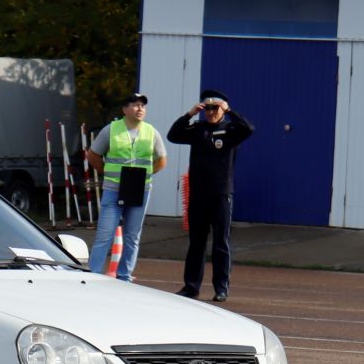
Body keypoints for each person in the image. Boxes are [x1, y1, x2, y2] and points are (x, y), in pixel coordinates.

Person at [166, 88, 253, 301]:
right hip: (199, 194)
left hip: (221, 194)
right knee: (196, 243)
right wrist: (190, 114)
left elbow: (248, 129)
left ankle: (221, 288)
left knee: (220, 243)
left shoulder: (231, 130)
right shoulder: (198, 128)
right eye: (208, 108)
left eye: (216, 108)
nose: (212, 112)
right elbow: (173, 135)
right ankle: (191, 286)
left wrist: (230, 111)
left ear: (223, 108)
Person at [85, 92, 167, 281]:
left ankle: (124, 275)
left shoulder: (151, 132)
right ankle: (94, 274)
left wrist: (144, 176)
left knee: (132, 235)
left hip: (140, 189)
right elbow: (93, 155)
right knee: (105, 233)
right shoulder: (111, 130)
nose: (140, 109)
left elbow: (162, 160)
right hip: (114, 188)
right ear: (124, 109)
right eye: (135, 105)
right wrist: (107, 172)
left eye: (143, 106)